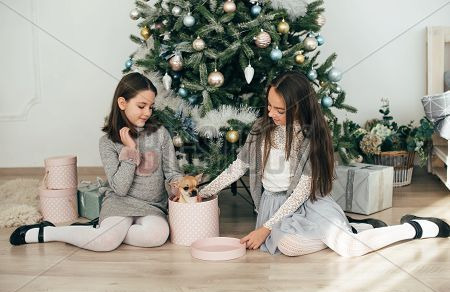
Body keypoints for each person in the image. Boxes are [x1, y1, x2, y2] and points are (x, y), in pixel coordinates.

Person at [199, 70, 449, 257]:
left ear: (299, 108)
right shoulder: (261, 129)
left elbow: (301, 193)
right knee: (288, 246)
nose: (271, 114)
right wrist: (204, 192)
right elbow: (238, 167)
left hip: (308, 204)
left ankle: (417, 228)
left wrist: (266, 228)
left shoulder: (310, 138)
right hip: (274, 205)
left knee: (348, 249)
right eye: (269, 106)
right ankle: (354, 228)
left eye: (280, 110)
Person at [10, 72, 183, 251]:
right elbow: (120, 189)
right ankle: (48, 232)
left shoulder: (160, 133)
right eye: (141, 106)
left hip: (152, 206)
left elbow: (172, 172)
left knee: (157, 236)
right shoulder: (107, 142)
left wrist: (178, 183)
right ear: (122, 103)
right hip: (119, 203)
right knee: (107, 243)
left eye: (151, 107)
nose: (148, 112)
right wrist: (130, 152)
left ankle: (99, 231)